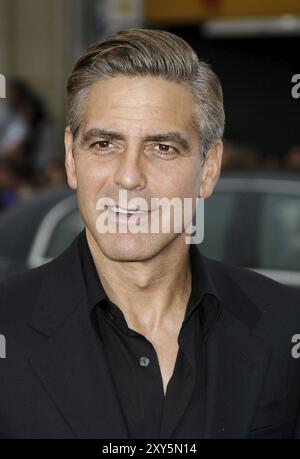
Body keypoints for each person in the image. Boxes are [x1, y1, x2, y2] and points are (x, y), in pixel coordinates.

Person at [0, 29, 300, 439]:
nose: (128, 176)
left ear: (208, 169)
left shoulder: (286, 326)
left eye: (162, 148)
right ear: (71, 160)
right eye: (105, 144)